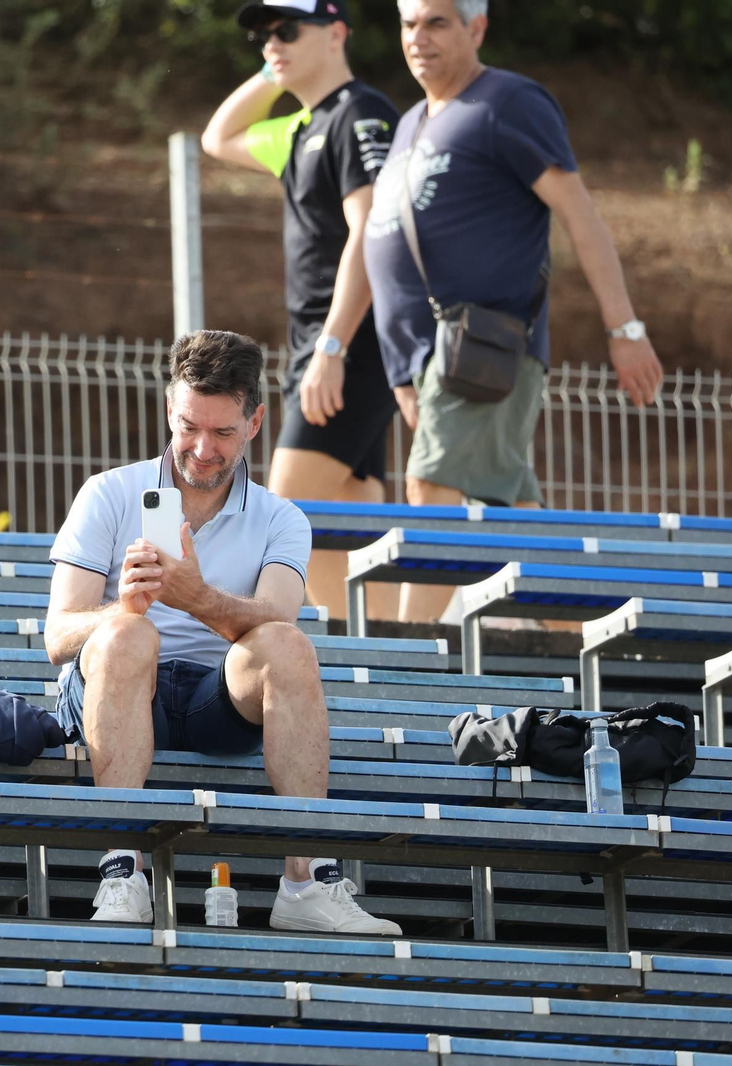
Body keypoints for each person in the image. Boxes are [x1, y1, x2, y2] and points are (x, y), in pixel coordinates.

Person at [45, 329, 399, 935]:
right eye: (189, 427)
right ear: (168, 409)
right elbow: (59, 636)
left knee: (288, 644)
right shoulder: (108, 493)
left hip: (219, 697)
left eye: (223, 432)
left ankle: (306, 880)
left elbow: (278, 617)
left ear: (256, 423)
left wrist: (196, 597)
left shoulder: (282, 518)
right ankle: (122, 875)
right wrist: (125, 608)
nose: (202, 449)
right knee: (130, 636)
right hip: (119, 685)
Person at [364, 0, 664, 622]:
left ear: (477, 29)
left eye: (437, 22)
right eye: (408, 24)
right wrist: (402, 372)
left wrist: (625, 329)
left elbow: (580, 214)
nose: (418, 37)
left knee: (432, 489)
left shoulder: (508, 101)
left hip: (479, 355)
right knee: (516, 522)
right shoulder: (413, 120)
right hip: (428, 365)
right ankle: (597, 645)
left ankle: (405, 663)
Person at [201, 0, 400, 621]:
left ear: (336, 33)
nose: (270, 43)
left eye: (286, 30)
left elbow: (371, 232)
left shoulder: (359, 113)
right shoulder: (299, 127)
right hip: (323, 345)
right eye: (262, 35)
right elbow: (219, 137)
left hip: (352, 343)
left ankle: (243, 653)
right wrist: (275, 69)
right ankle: (381, 657)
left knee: (276, 513)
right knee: (345, 527)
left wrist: (334, 349)